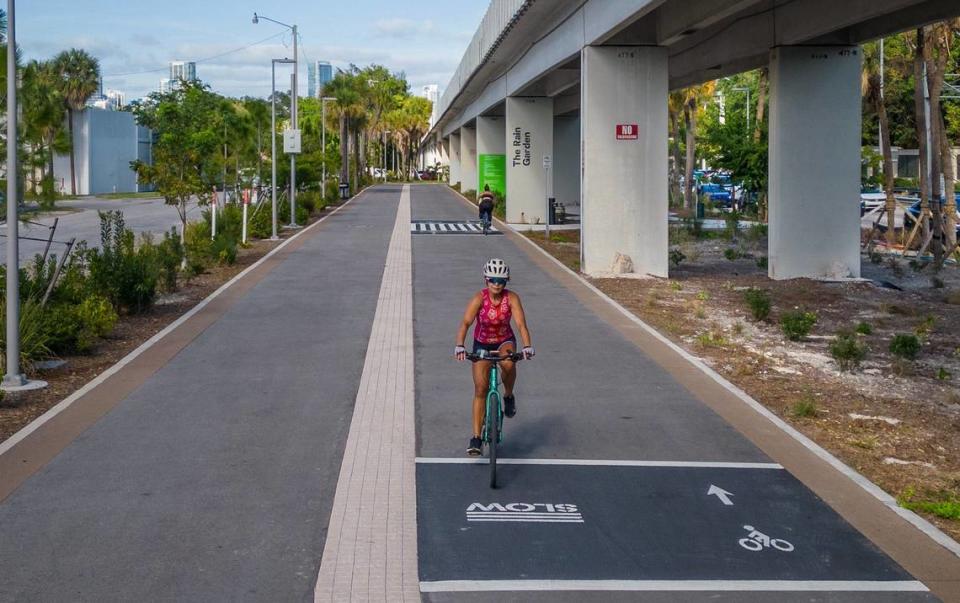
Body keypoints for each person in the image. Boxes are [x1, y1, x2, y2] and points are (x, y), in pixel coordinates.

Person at [454, 258, 534, 456]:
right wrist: (460, 346)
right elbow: (465, 323)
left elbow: (521, 324)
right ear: (486, 280)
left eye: (501, 281)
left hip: (503, 341)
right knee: (480, 388)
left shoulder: (512, 299)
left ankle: (508, 396)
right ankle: (476, 438)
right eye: (493, 280)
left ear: (506, 282)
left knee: (508, 362)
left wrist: (527, 346)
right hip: (482, 343)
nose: (497, 284)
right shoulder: (479, 298)